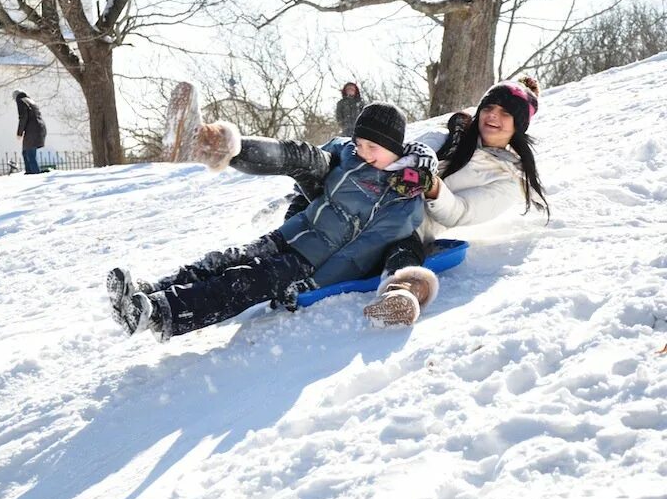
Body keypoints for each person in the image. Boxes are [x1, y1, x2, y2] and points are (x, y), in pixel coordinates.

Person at [156, 76, 550, 327]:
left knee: (404, 254)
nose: (493, 117)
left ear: (519, 126)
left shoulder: (507, 179)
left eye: (505, 113)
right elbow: (419, 145)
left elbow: (461, 214)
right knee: (309, 159)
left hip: (405, 224)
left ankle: (402, 299)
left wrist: (430, 187)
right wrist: (419, 157)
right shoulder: (455, 136)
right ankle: (218, 144)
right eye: (490, 108)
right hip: (359, 194)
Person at [106, 82, 439, 342]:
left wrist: (315, 284)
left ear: (396, 149)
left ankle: (158, 313)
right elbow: (303, 176)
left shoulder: (402, 201)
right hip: (290, 235)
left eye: (374, 148)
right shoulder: (347, 153)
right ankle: (149, 291)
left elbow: (363, 253)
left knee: (241, 282)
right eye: (361, 144)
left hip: (309, 262)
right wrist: (292, 218)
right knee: (223, 259)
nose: (364, 153)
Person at [13, 90, 47, 175]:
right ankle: (29, 171)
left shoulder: (20, 100)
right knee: (26, 151)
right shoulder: (30, 100)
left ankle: (34, 173)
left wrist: (19, 133)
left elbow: (23, 117)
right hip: (40, 128)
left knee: (29, 153)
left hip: (32, 130)